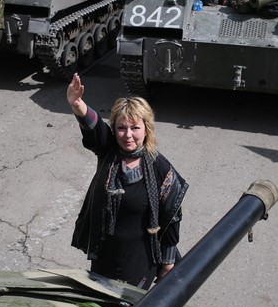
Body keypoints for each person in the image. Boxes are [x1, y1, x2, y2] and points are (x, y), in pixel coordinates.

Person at [67, 73, 189, 290]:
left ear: (146, 129)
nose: (128, 135)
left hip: (140, 259)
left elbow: (172, 218)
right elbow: (95, 130)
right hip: (104, 255)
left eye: (135, 128)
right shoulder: (109, 152)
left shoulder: (160, 167)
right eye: (121, 128)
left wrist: (168, 264)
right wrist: (78, 104)